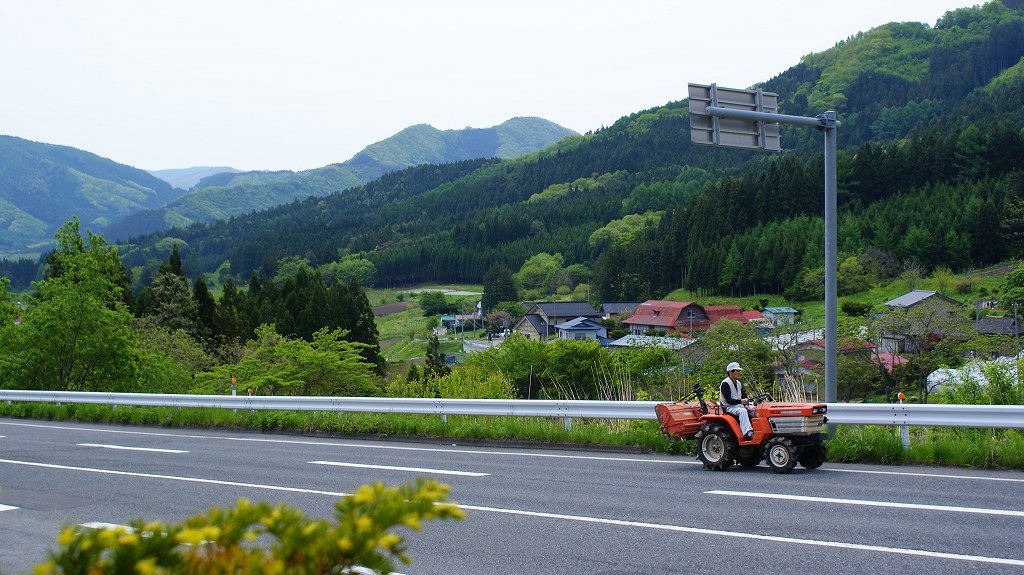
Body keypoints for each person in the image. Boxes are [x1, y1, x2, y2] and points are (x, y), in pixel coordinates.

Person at [720, 361, 755, 440]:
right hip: (728, 407)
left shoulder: (738, 383)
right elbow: (728, 400)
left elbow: (744, 395)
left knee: (755, 409)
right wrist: (742, 402)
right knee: (742, 411)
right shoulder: (725, 383)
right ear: (730, 372)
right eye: (737, 371)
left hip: (738, 405)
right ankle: (748, 433)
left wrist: (747, 402)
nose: (739, 373)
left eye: (739, 371)